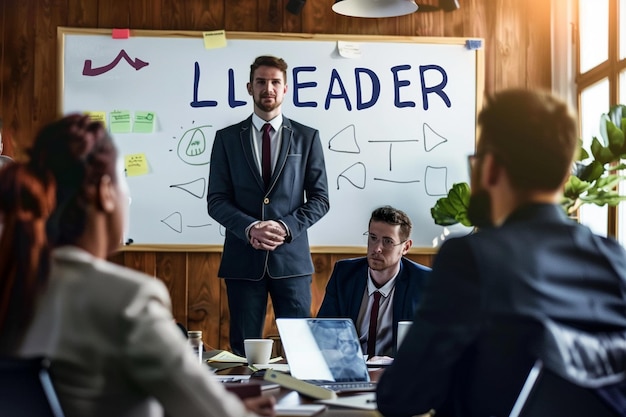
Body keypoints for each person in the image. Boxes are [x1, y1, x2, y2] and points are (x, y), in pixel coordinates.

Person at [0, 114, 275, 417]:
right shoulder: (128, 299)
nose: (126, 198)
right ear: (105, 192)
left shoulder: (13, 281)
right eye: (124, 183)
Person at [376, 89, 626, 417]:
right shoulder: (615, 260)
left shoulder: (472, 258)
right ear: (567, 174)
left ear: (489, 167)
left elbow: (403, 397)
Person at [207, 55, 330, 356]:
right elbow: (216, 200)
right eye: (261, 82)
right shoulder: (226, 139)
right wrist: (250, 227)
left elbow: (320, 199)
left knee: (301, 350)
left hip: (292, 263)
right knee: (243, 352)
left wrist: (283, 226)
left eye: (275, 82)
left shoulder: (306, 137)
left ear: (286, 89)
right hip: (243, 262)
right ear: (249, 87)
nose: (268, 88)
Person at [317, 206, 430, 358]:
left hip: (396, 373)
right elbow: (324, 331)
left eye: (388, 241)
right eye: (373, 237)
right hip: (349, 369)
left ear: (405, 247)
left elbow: (431, 344)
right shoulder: (344, 274)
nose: (377, 248)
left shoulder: (423, 281)